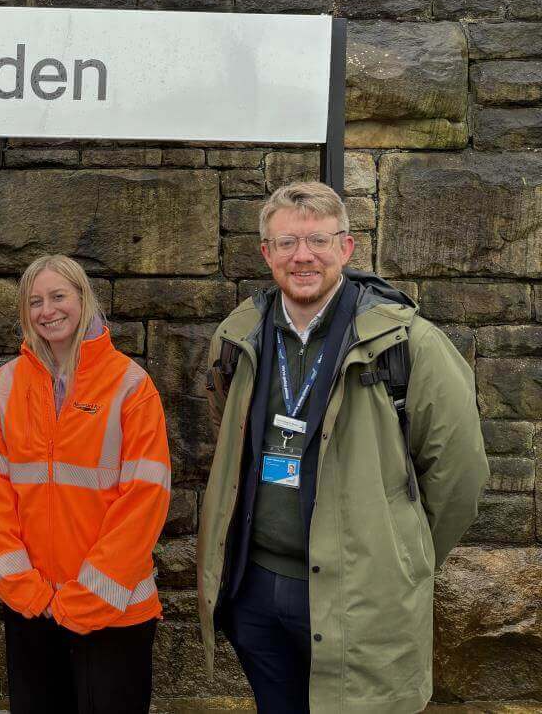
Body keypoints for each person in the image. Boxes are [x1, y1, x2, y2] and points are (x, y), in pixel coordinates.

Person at [197, 181, 489, 714]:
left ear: (347, 248)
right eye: (286, 243)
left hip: (359, 597)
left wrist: (400, 558)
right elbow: (230, 434)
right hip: (257, 592)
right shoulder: (237, 338)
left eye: (318, 241)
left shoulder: (410, 344)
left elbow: (460, 476)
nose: (302, 256)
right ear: (266, 253)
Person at [0, 254, 171, 714]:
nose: (48, 310)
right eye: (35, 301)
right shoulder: (4, 386)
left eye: (59, 296)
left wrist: (85, 598)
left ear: (83, 300)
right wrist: (27, 589)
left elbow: (145, 499)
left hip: (113, 609)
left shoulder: (130, 384)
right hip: (33, 607)